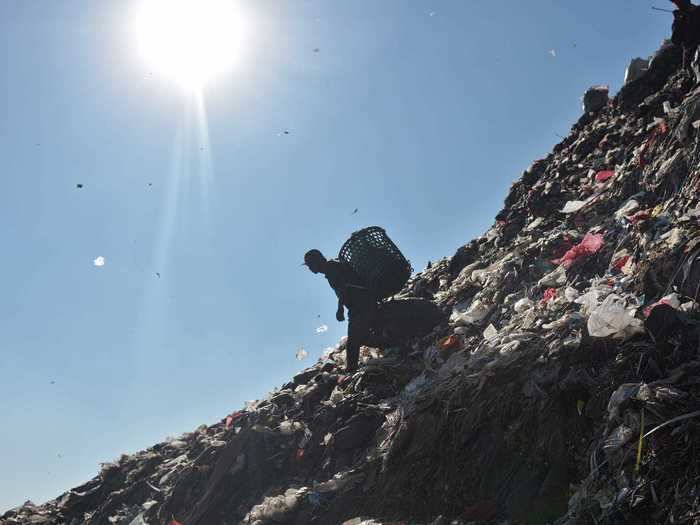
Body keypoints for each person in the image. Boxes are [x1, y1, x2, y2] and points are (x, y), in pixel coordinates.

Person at [303, 249, 377, 373]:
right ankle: (392, 342)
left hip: (360, 304)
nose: (310, 268)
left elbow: (343, 286)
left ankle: (351, 370)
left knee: (353, 341)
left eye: (310, 264)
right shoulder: (332, 267)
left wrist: (340, 308)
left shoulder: (331, 267)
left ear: (318, 260)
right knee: (362, 336)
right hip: (361, 303)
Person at [670, 0, 700, 68]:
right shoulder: (680, 20)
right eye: (675, 2)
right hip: (692, 58)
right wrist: (678, 21)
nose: (678, 3)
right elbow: (676, 40)